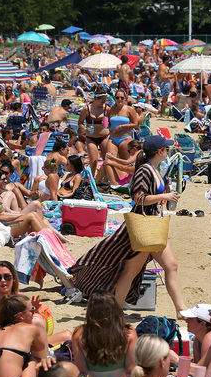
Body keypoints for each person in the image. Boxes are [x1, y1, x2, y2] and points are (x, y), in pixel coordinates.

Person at [69, 135, 188, 316]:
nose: (168, 151)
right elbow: (138, 198)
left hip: (153, 226)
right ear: (159, 152)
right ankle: (118, 309)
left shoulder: (153, 169)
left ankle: (180, 309)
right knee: (135, 269)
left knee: (163, 266)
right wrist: (164, 197)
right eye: (166, 149)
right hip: (144, 226)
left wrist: (164, 195)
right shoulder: (145, 171)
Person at [72, 290, 137, 377]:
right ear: (116, 310)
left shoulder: (79, 334)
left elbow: (82, 371)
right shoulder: (129, 334)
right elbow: (130, 370)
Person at [78, 85, 112, 173]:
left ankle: (105, 180)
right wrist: (85, 130)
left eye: (105, 100)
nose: (104, 102)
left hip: (104, 136)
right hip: (91, 137)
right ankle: (91, 182)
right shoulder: (87, 109)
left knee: (106, 160)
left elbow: (111, 123)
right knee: (93, 161)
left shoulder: (106, 109)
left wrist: (107, 124)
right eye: (103, 100)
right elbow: (80, 123)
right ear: (96, 98)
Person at [180, 304, 211, 368]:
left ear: (202, 324)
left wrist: (176, 359)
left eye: (190, 318)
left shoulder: (210, 338)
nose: (186, 321)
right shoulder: (197, 340)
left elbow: (203, 369)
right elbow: (198, 367)